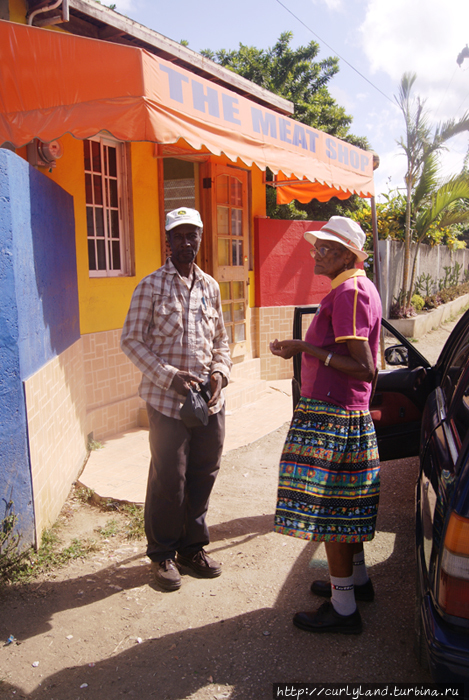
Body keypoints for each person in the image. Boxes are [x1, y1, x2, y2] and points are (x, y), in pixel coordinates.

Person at [270, 216, 381, 634]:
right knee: (346, 507)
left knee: (334, 512)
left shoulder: (350, 292)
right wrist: (309, 350)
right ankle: (354, 584)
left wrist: (305, 348)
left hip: (334, 416)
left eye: (325, 248)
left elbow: (365, 368)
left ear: (347, 255)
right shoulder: (354, 288)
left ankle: (344, 609)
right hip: (342, 413)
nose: (316, 253)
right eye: (318, 246)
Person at [121, 207, 232, 591]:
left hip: (208, 401)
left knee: (204, 473)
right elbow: (131, 341)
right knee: (171, 478)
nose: (186, 242)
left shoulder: (211, 287)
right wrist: (169, 376)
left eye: (192, 235)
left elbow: (221, 339)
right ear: (167, 242)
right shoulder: (150, 286)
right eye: (179, 236)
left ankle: (192, 548)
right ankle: (163, 553)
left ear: (201, 239)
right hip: (167, 403)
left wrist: (220, 372)